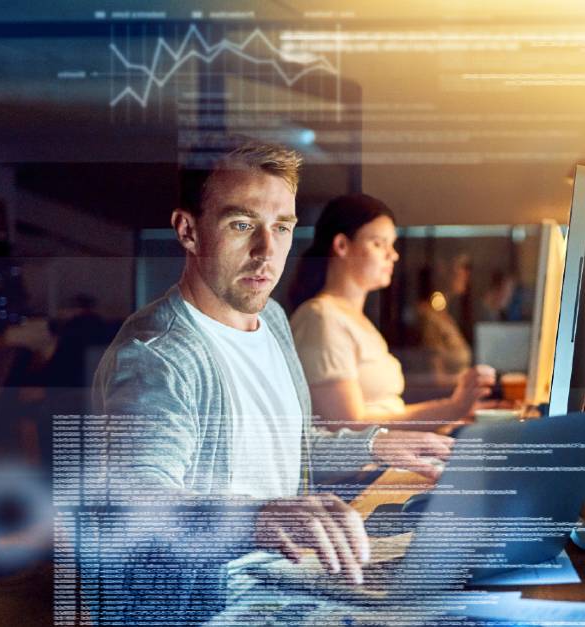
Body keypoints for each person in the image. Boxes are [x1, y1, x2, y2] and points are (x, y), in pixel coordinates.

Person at [87, 142, 451, 622]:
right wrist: (259, 517)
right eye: (241, 225)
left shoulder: (272, 319)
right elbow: (139, 501)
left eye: (281, 228)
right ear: (188, 230)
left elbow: (284, 443)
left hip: (284, 583)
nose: (267, 251)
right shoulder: (157, 357)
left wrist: (376, 444)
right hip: (209, 607)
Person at [288, 193, 495, 430]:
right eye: (379, 243)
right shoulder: (320, 318)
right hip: (366, 466)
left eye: (392, 245)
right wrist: (450, 409)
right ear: (342, 246)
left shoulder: (358, 321)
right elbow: (347, 425)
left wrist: (454, 412)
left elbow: (387, 411)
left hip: (388, 458)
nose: (393, 255)